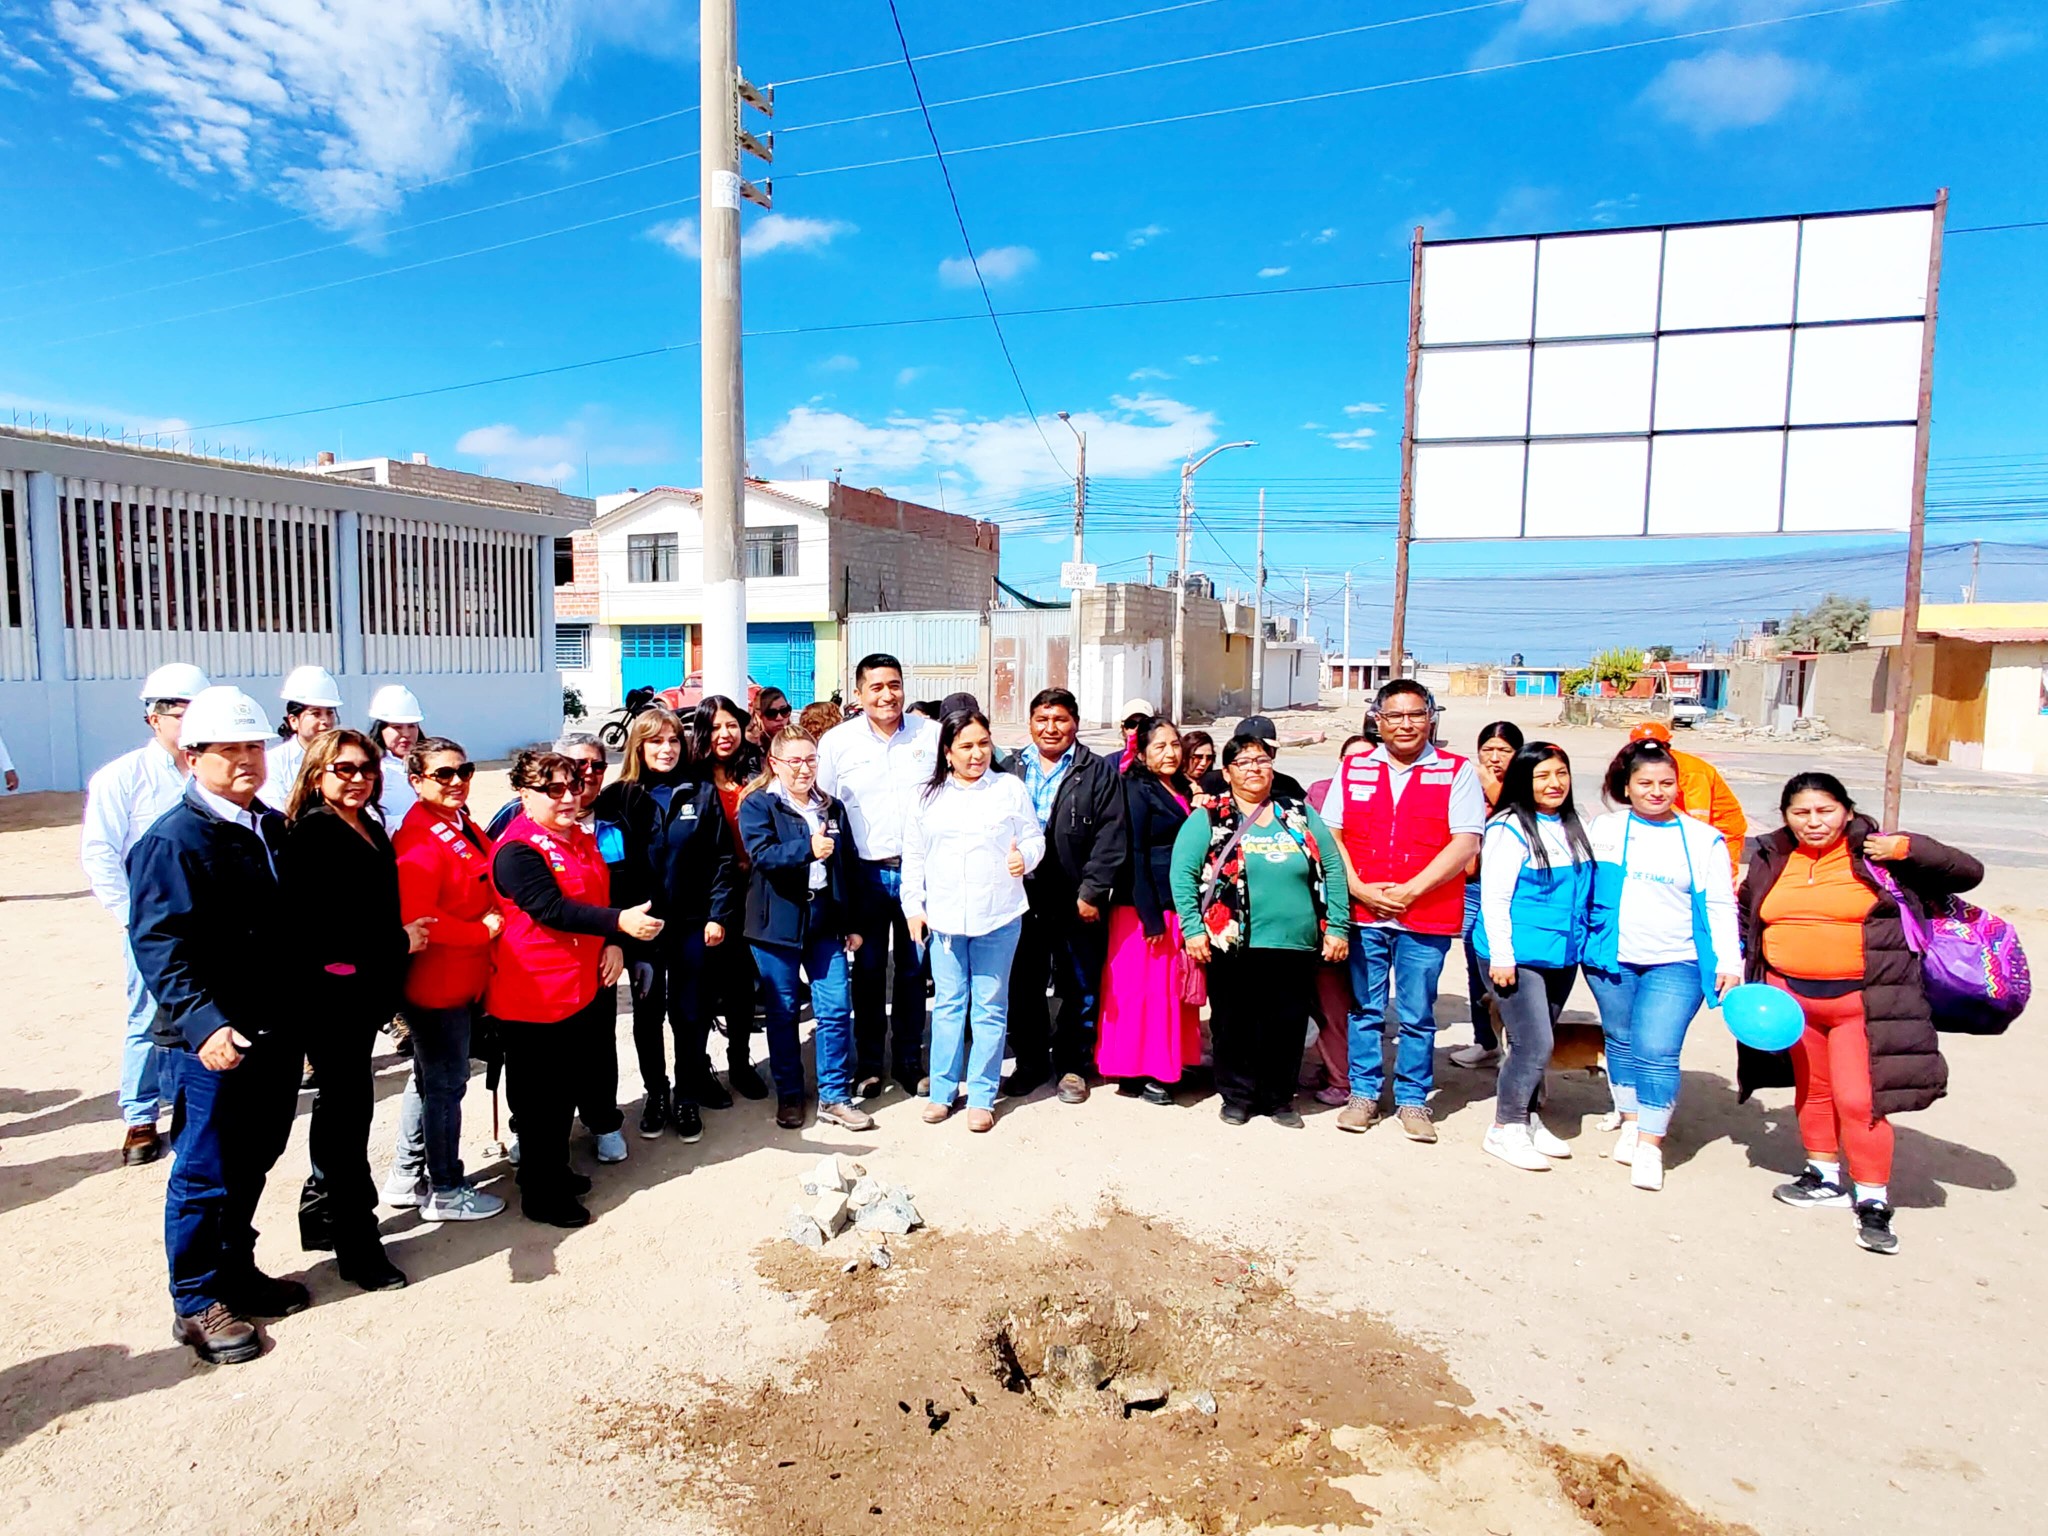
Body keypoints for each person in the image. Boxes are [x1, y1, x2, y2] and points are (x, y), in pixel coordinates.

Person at [127, 686, 306, 1364]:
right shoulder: (173, 840)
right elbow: (159, 947)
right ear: (192, 756)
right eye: (228, 749)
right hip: (213, 1041)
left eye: (253, 747)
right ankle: (197, 1301)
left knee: (256, 1155)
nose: (245, 761)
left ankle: (235, 1269)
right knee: (204, 1170)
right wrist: (204, 1026)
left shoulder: (270, 827)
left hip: (274, 1029)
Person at [1737, 772, 1983, 1254]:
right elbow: (1748, 913)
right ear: (1785, 817)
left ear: (1847, 811)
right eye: (1801, 813)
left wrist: (1909, 848)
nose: (1813, 822)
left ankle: (1872, 1199)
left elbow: (1967, 873)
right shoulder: (1772, 857)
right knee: (1814, 1091)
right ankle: (1822, 1175)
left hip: (1864, 1003)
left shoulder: (1877, 855)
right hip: (1791, 1002)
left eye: (1825, 811)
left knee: (1859, 1100)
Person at [488, 748, 665, 1227]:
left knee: (563, 1091)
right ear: (524, 793)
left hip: (578, 986)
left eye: (573, 785)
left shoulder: (577, 837)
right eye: (553, 789)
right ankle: (540, 1193)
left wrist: (612, 940)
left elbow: (599, 894)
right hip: (535, 995)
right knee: (540, 1102)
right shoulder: (517, 849)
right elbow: (551, 909)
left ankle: (555, 1171)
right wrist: (620, 923)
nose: (568, 797)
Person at [280, 728, 430, 1291]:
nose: (359, 778)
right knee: (345, 1116)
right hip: (331, 998)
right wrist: (398, 941)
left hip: (365, 992)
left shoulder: (366, 823)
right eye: (344, 769)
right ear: (317, 773)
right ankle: (355, 1242)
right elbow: (317, 931)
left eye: (366, 768)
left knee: (345, 1111)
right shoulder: (312, 833)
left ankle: (326, 1216)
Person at [1324, 680, 1486, 1142]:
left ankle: (1413, 1100)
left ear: (1431, 717)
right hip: (1364, 914)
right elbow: (1332, 836)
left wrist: (1411, 891)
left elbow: (1466, 842)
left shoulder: (1456, 771)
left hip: (1426, 916)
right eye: (1394, 716)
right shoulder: (1354, 768)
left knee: (1417, 1014)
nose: (1405, 724)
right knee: (1365, 1009)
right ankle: (1363, 1095)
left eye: (1415, 714)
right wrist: (1359, 888)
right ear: (1378, 720)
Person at [1583, 739, 1741, 1192]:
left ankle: (1650, 1144)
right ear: (1626, 787)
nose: (1657, 792)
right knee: (1620, 1038)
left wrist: (1729, 960)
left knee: (1657, 1048)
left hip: (1678, 961)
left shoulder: (1702, 839)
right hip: (1611, 958)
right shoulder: (1603, 829)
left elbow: (1720, 903)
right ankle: (1631, 1119)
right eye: (1645, 783)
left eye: (1666, 783)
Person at [1172, 731, 1350, 1127]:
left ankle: (1278, 1098)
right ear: (1227, 772)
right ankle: (1236, 1096)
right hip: (1232, 941)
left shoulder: (1299, 814)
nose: (1254, 769)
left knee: (1286, 1024)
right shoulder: (1210, 816)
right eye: (1243, 762)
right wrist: (1193, 930)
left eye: (1262, 761)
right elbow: (1182, 874)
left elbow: (1333, 869)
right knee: (1233, 1023)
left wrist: (1338, 926)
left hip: (1296, 941)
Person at [80, 661, 208, 1165]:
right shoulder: (121, 778)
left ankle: (191, 1106)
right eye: (182, 714)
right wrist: (133, 920)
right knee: (145, 1017)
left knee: (200, 1012)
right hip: (152, 923)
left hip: (208, 920)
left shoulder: (210, 772)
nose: (192, 724)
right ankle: (139, 1116)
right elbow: (100, 853)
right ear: (154, 718)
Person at [384, 736, 506, 1224]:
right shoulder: (418, 838)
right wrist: (481, 931)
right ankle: (446, 1188)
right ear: (416, 781)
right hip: (438, 984)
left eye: (464, 770)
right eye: (443, 774)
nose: (457, 781)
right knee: (446, 1085)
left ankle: (405, 1172)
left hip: (462, 977)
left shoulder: (457, 821)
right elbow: (420, 919)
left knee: (429, 1079)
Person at [903, 707, 1043, 1132]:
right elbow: (914, 856)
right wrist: (914, 907)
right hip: (944, 920)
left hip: (998, 916)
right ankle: (943, 1091)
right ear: (947, 752)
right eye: (965, 746)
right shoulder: (926, 796)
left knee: (989, 1007)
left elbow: (1034, 836)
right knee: (948, 1005)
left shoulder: (1008, 789)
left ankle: (982, 1095)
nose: (976, 754)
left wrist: (1025, 857)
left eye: (983, 744)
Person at [604, 711, 741, 1138]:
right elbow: (603, 864)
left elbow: (722, 858)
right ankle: (657, 1093)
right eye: (656, 741)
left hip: (691, 925)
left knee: (690, 1013)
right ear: (639, 747)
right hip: (641, 930)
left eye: (674, 741)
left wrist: (718, 915)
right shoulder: (618, 797)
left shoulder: (700, 791)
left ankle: (686, 1095)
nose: (666, 749)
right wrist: (616, 926)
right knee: (648, 1016)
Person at [738, 727, 875, 1131]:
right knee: (782, 1012)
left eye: (811, 760)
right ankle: (790, 1095)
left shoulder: (831, 807)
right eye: (794, 761)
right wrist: (808, 850)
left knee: (835, 1007)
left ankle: (834, 1095)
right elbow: (763, 855)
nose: (804, 769)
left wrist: (852, 922)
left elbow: (847, 867)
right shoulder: (759, 804)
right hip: (776, 924)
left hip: (825, 921)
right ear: (775, 763)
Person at [818, 654, 940, 1098]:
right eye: (877, 687)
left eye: (894, 685)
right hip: (863, 875)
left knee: (913, 969)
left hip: (919, 873)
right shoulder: (838, 742)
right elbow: (824, 805)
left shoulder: (931, 734)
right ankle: (869, 1062)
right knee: (868, 971)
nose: (887, 695)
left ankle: (908, 1059)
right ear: (859, 693)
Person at [998, 687, 1127, 1104]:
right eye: (1042, 719)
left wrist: (1092, 891)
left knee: (1079, 984)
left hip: (1076, 899)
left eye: (1060, 720)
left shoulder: (1097, 772)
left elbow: (1111, 837)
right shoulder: (1010, 769)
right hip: (1021, 898)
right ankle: (1031, 1062)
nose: (1050, 728)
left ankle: (1073, 1065)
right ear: (1030, 723)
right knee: (1024, 985)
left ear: (1075, 723)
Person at [1473, 743, 1596, 1172]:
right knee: (1534, 1043)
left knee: (1539, 1044)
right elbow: (1495, 897)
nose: (1554, 783)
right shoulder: (1508, 828)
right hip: (1516, 954)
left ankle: (1527, 1118)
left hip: (1560, 954)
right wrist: (1502, 957)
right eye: (1542, 776)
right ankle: (1505, 1127)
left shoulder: (1574, 825)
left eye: (1561, 773)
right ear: (1523, 781)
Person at [1097, 716, 1200, 1104]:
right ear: (1141, 753)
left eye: (1174, 744)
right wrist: (1150, 915)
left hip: (1175, 901)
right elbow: (1135, 853)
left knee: (1168, 992)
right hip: (1142, 907)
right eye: (1159, 746)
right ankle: (1139, 1071)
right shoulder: (1135, 789)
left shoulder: (1179, 787)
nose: (1170, 753)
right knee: (1140, 994)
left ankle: (1166, 1064)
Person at [692, 696, 770, 1102]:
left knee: (743, 987)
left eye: (731, 726)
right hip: (706, 898)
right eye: (715, 727)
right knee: (703, 989)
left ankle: (740, 1061)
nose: (724, 735)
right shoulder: (691, 778)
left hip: (752, 893)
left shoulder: (756, 771)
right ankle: (699, 1068)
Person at [1449, 721, 1526, 1070]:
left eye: (1504, 751)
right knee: (1475, 964)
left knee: (1509, 964)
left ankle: (1519, 1045)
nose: (1494, 758)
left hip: (1510, 889)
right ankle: (1487, 1041)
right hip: (1471, 886)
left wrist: (1490, 785)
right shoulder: (1468, 784)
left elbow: (1520, 816)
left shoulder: (1526, 783)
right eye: (1487, 750)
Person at [1303, 733, 1372, 1106]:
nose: (1359, 767)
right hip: (1327, 914)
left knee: (1359, 1001)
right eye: (1351, 760)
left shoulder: (1388, 799)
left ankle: (1346, 1079)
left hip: (1372, 915)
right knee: (1328, 1000)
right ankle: (1339, 1072)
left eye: (1368, 760)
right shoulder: (1320, 793)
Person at [1629, 720, 1747, 882]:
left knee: (1718, 878)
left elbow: (1700, 819)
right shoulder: (1651, 767)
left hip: (1721, 830)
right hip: (1686, 822)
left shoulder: (1692, 771)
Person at [259, 664, 342, 812]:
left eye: (329, 713)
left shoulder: (345, 757)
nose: (325, 721)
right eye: (316, 714)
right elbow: (276, 810)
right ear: (293, 721)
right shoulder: (274, 761)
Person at [1194, 716, 1308, 801]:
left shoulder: (1288, 785)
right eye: (1245, 760)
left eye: (1266, 749)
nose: (1254, 768)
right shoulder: (1211, 782)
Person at [368, 684, 425, 827]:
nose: (406, 734)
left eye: (412, 726)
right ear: (380, 729)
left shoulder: (429, 763)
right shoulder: (372, 768)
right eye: (397, 727)